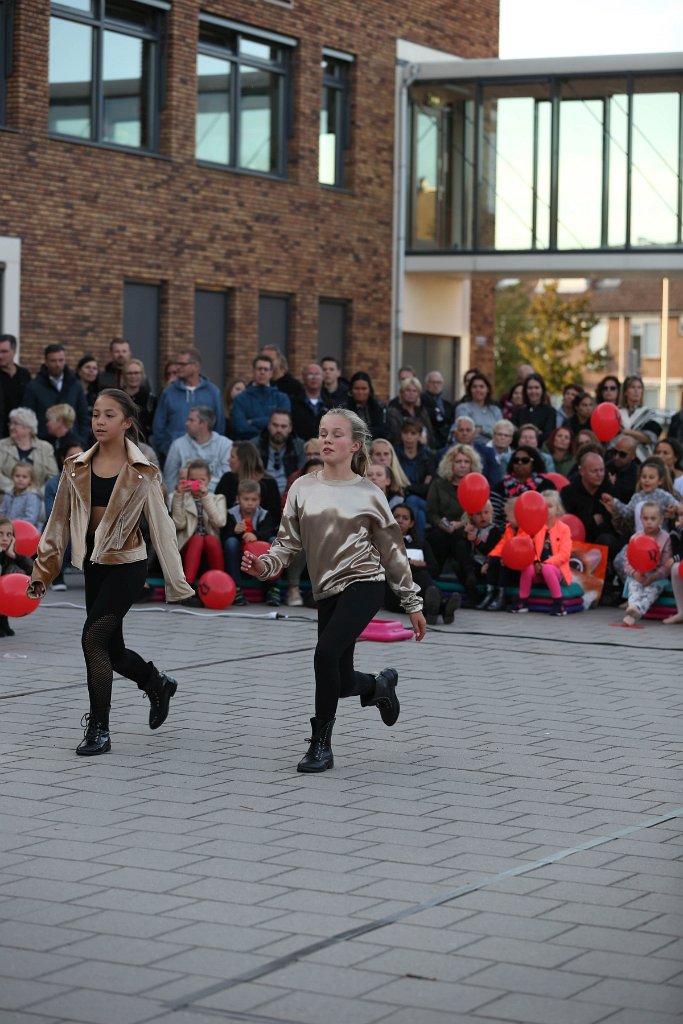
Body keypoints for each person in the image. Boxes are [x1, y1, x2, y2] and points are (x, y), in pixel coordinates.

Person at [241, 408, 426, 773]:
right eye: (323, 432)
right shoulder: (302, 487)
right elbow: (286, 545)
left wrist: (412, 602)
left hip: (365, 583)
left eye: (336, 434)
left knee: (324, 655)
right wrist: (264, 567)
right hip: (325, 590)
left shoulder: (370, 494)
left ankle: (321, 746)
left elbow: (393, 551)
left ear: (355, 444)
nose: (327, 439)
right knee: (339, 681)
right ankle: (378, 686)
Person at [27, 389, 195, 756]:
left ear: (126, 422)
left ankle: (99, 729)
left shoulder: (143, 472)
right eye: (96, 415)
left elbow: (163, 528)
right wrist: (43, 571)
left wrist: (177, 582)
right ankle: (156, 682)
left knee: (92, 639)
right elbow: (57, 524)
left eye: (108, 415)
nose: (99, 422)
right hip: (93, 565)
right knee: (112, 650)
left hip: (128, 565)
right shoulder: (75, 466)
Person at [387, 503, 458, 625]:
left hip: (419, 588)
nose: (400, 520)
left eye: (405, 518)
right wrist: (412, 564)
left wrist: (418, 567)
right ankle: (443, 608)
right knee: (419, 574)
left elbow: (434, 570)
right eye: (396, 516)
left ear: (411, 523)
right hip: (394, 592)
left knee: (423, 575)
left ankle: (433, 610)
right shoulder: (384, 542)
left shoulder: (421, 544)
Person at [153, 348, 225, 457]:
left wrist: (213, 450)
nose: (178, 367)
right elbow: (159, 426)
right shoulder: (169, 392)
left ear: (196, 366)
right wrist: (167, 449)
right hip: (174, 455)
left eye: (182, 364)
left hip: (206, 457)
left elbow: (219, 425)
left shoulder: (213, 392)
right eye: (177, 363)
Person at [511, 491, 572, 616]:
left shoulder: (564, 529)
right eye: (543, 507)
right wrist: (535, 562)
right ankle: (523, 601)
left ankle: (558, 604)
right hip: (537, 569)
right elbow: (528, 547)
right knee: (527, 568)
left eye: (550, 506)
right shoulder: (534, 526)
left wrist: (545, 564)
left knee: (548, 569)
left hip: (555, 570)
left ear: (558, 509)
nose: (547, 510)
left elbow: (564, 554)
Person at [171, 458, 227, 589]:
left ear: (209, 479)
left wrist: (205, 497)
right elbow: (179, 524)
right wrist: (178, 496)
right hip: (187, 548)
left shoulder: (218, 498)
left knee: (210, 539)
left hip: (211, 550)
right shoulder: (181, 498)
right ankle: (187, 587)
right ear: (187, 479)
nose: (197, 483)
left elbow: (219, 522)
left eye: (201, 479)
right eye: (193, 479)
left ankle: (220, 583)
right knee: (197, 539)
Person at [426, 444, 482, 573]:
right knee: (437, 537)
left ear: (472, 465)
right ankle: (435, 575)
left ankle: (464, 573)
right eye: (458, 461)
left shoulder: (477, 485)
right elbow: (431, 511)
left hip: (467, 526)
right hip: (442, 526)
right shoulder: (438, 484)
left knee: (460, 535)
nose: (462, 465)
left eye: (466, 462)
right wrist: (441, 523)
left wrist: (461, 524)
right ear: (450, 464)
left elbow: (480, 513)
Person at [223, 479, 277, 606]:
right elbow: (223, 537)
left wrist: (256, 535)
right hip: (239, 558)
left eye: (254, 500)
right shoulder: (231, 514)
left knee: (273, 541)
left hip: (259, 558)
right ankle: (236, 588)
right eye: (246, 499)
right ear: (238, 499)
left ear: (259, 500)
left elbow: (268, 532)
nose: (250, 503)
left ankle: (272, 587)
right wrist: (234, 532)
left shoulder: (264, 515)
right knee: (231, 542)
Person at [618, 501, 672, 627]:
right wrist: (635, 573)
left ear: (661, 520)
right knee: (634, 588)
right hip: (638, 574)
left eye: (653, 519)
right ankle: (633, 608)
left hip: (656, 577)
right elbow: (628, 562)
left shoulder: (665, 538)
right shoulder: (635, 538)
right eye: (646, 518)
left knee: (651, 591)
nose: (649, 522)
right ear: (641, 519)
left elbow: (666, 565)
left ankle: (636, 610)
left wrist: (653, 577)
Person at [23, 344, 91, 444]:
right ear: (46, 362)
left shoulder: (75, 385)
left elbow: (84, 416)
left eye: (61, 360)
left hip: (72, 443)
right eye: (53, 361)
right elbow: (28, 417)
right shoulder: (33, 387)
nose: (57, 364)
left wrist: (81, 440)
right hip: (43, 443)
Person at [163, 406, 232, 496]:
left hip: (216, 498)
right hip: (184, 500)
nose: (186, 423)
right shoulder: (178, 445)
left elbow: (227, 477)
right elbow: (170, 478)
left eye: (191, 420)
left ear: (204, 424)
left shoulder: (225, 445)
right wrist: (171, 501)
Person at [601, 456, 679, 535]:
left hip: (660, 536)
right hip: (640, 537)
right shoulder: (637, 497)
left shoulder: (664, 495)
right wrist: (614, 502)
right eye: (644, 477)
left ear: (660, 481)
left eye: (651, 477)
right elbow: (627, 512)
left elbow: (678, 506)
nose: (647, 480)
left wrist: (674, 509)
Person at [215, 441, 282, 529]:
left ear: (243, 461)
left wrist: (257, 534)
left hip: (262, 534)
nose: (228, 460)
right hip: (231, 533)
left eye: (232, 457)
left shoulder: (269, 483)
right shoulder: (227, 479)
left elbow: (274, 517)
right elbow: (218, 511)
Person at [452, 500, 503, 607]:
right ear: (472, 516)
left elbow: (491, 550)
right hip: (471, 566)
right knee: (458, 558)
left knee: (468, 572)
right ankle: (472, 595)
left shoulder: (494, 530)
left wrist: (476, 540)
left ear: (491, 514)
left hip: (486, 566)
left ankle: (474, 594)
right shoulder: (471, 529)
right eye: (478, 514)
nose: (483, 516)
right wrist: (464, 533)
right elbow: (459, 548)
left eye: (486, 513)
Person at [490, 445, 556, 526]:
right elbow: (494, 517)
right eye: (516, 460)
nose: (520, 463)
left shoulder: (546, 485)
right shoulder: (500, 487)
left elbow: (553, 513)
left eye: (525, 460)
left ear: (534, 463)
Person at [0, 407, 58, 497]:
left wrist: (36, 493)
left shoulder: (45, 448)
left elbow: (53, 477)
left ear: (29, 428)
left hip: (38, 499)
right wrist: (14, 489)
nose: (11, 427)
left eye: (15, 424)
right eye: (10, 423)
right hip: (7, 497)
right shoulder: (2, 445)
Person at [231, 354, 292, 441]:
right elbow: (241, 428)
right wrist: (269, 424)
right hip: (248, 448)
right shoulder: (240, 399)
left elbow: (284, 424)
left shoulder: (281, 398)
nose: (262, 372)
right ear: (253, 371)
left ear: (271, 373)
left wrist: (254, 421)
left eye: (266, 369)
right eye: (259, 369)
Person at [256, 408, 304, 497]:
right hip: (261, 494)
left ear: (290, 428)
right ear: (269, 425)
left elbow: (302, 475)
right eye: (275, 425)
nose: (279, 430)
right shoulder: (255, 445)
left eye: (283, 426)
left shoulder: (299, 446)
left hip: (291, 494)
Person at [0, 515, 34, 637]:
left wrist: (13, 555)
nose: (5, 539)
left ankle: (3, 622)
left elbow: (31, 570)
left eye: (9, 535)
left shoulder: (9, 555)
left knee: (8, 581)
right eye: (1, 534)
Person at [618, 375, 661, 460]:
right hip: (620, 457)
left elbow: (650, 438)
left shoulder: (649, 413)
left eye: (639, 387)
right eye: (632, 387)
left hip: (642, 459)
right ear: (625, 392)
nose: (636, 390)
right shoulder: (617, 412)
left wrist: (627, 432)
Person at [386, 376, 435, 447]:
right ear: (402, 393)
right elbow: (393, 435)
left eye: (414, 391)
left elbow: (430, 434)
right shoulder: (393, 412)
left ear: (418, 394)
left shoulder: (422, 412)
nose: (411, 393)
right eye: (408, 390)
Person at [454, 372, 502, 442]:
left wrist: (482, 429)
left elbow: (501, 434)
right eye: (474, 387)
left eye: (481, 387)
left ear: (487, 389)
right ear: (470, 390)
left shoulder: (495, 410)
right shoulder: (463, 408)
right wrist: (492, 430)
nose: (478, 390)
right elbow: (465, 433)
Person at [511, 372, 556, 444]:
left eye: (536, 388)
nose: (533, 391)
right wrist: (537, 432)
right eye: (530, 388)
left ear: (542, 390)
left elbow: (547, 436)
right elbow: (513, 434)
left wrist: (522, 432)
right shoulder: (518, 411)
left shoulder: (550, 412)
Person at [291, 364, 331, 441]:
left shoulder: (330, 405)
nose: (314, 377)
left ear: (322, 378)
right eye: (310, 374)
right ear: (304, 378)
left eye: (317, 374)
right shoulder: (294, 403)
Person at [0, 334, 31, 435]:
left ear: (14, 351)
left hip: (21, 432)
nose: (0, 356)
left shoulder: (24, 374)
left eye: (4, 352)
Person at [121, 358, 157, 443]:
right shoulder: (118, 397)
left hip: (143, 445)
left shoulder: (150, 399)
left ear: (142, 375)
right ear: (124, 376)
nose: (133, 376)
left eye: (136, 373)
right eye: (129, 373)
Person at [345, 371, 386, 440]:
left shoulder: (379, 407)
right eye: (357, 389)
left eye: (364, 389)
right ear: (351, 390)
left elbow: (383, 429)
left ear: (370, 390)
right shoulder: (344, 409)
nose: (360, 392)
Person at [0, 463, 42, 528]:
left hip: (26, 531)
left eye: (24, 477)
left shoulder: (32, 496)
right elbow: (2, 512)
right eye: (17, 476)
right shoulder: (8, 494)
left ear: (31, 480)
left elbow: (31, 519)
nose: (20, 479)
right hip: (8, 530)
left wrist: (12, 524)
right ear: (12, 477)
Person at [421, 370, 454, 449]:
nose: (435, 385)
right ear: (426, 385)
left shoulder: (448, 405)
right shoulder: (421, 402)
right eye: (432, 382)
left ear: (442, 385)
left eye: (438, 383)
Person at [606, 434, 640, 503]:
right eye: (615, 452)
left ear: (633, 456)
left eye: (622, 454)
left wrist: (611, 485)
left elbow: (623, 499)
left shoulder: (637, 475)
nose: (616, 457)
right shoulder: (608, 466)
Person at [76, 353, 101, 419]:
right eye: (87, 367)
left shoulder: (98, 394)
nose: (91, 370)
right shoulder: (71, 391)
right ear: (79, 371)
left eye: (94, 368)